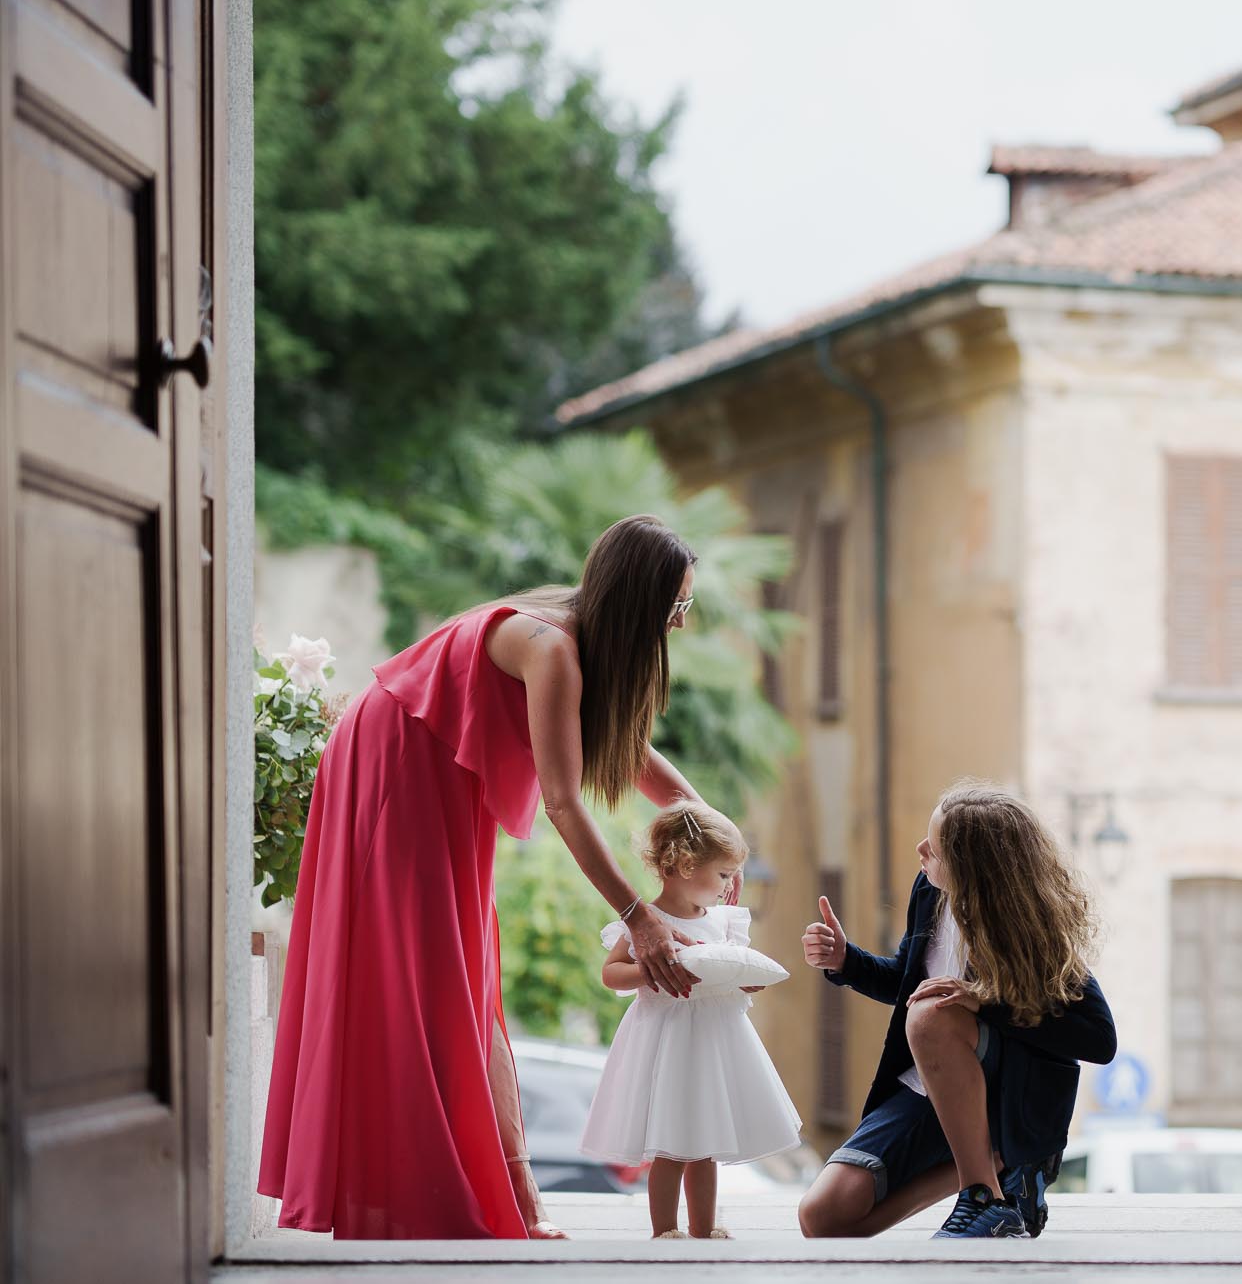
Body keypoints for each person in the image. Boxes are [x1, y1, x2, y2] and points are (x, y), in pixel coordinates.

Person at [260, 514, 721, 1239]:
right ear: (638, 601)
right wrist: (640, 915)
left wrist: (709, 821)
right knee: (435, 978)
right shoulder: (552, 648)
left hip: (439, 774)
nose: (679, 624)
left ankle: (511, 1197)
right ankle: (464, 1193)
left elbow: (627, 752)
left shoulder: (577, 643)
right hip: (399, 760)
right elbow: (565, 802)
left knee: (468, 980)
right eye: (674, 608)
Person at [797, 782, 1116, 1239]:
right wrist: (845, 960)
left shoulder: (1027, 929)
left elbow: (1099, 1040)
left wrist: (985, 1001)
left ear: (973, 868)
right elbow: (906, 984)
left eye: (936, 846)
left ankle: (983, 1196)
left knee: (932, 1015)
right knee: (821, 1217)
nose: (920, 848)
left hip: (1002, 1096)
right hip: (925, 1091)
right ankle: (996, 1163)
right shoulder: (929, 893)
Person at [580, 800, 800, 1239]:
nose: (728, 887)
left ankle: (705, 1228)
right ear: (682, 864)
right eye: (721, 875)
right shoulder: (646, 921)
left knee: (707, 1147)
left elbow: (731, 969)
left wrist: (743, 982)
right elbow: (611, 973)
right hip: (669, 1043)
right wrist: (649, 971)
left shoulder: (723, 922)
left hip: (716, 1043)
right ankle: (664, 1230)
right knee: (672, 1146)